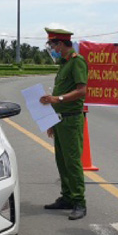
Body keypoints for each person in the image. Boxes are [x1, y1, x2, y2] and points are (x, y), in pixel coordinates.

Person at [40, 27, 89, 220]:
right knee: (61, 160)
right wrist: (51, 121)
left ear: (60, 44)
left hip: (71, 119)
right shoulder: (64, 63)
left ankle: (79, 201)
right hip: (60, 120)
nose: (51, 49)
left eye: (52, 45)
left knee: (72, 161)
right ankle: (67, 196)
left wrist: (57, 99)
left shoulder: (77, 62)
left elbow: (81, 91)